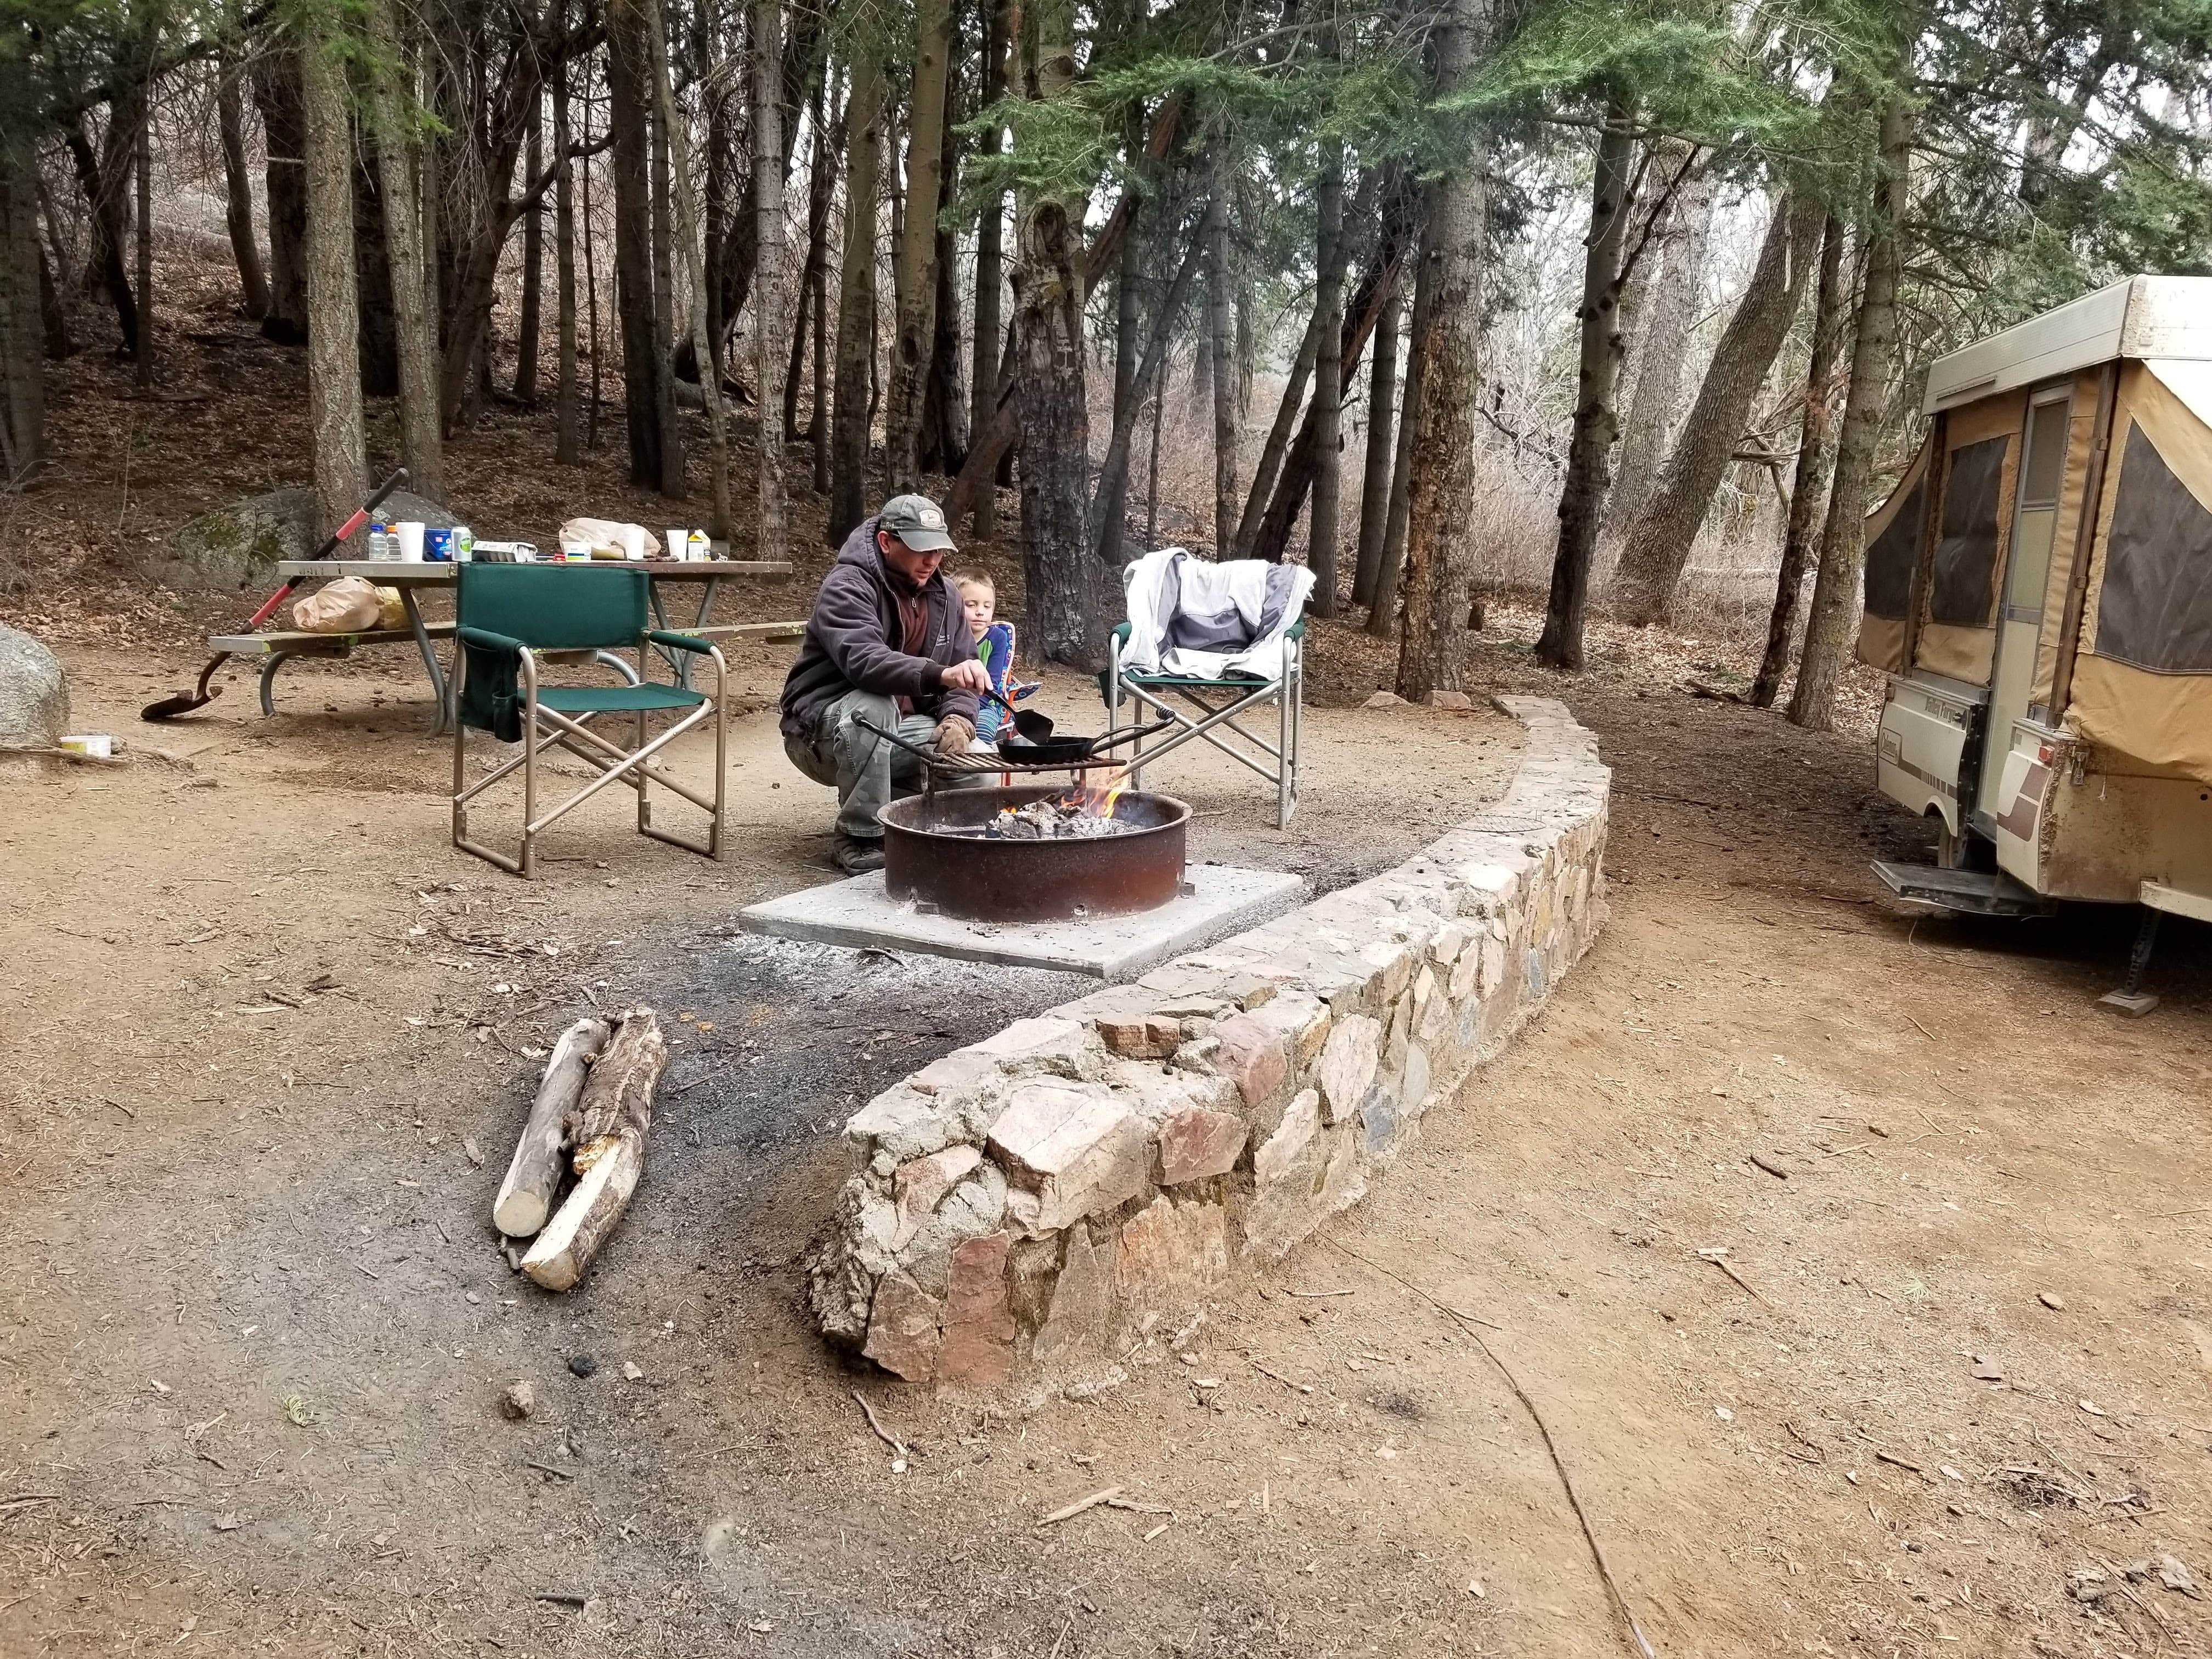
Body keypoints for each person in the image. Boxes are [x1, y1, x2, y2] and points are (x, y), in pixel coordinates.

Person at [781, 494, 991, 873]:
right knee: (872, 707)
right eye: (920, 549)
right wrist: (938, 674)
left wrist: (959, 717)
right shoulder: (846, 586)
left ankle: (914, 825)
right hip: (822, 734)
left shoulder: (947, 599)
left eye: (939, 550)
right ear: (886, 542)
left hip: (900, 731)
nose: (932, 560)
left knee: (978, 760)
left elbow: (966, 667)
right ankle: (859, 837)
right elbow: (865, 662)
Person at [956, 573, 1026, 744]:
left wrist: (967, 710)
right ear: (954, 605)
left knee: (982, 728)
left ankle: (980, 769)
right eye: (971, 605)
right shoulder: (950, 635)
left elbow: (991, 686)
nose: (980, 612)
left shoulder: (997, 638)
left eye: (987, 607)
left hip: (986, 704)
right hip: (951, 700)